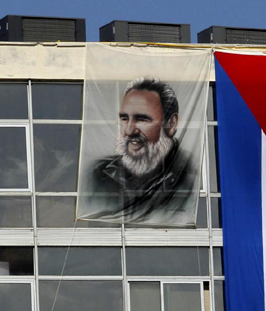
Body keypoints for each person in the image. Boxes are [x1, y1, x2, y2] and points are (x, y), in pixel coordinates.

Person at [84, 77, 195, 223]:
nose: (129, 131)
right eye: (124, 118)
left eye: (142, 120)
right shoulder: (99, 174)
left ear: (171, 124)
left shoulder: (191, 176)